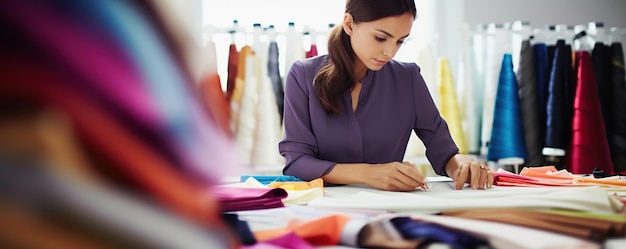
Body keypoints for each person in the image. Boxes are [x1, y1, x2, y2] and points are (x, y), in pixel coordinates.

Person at [279, 0, 493, 192]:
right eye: (381, 38)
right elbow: (297, 162)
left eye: (400, 41)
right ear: (349, 24)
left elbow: (443, 150)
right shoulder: (303, 75)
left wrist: (463, 165)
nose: (389, 52)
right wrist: (370, 174)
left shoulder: (408, 78)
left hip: (389, 210)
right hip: (321, 209)